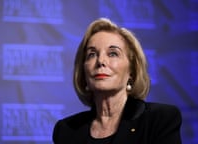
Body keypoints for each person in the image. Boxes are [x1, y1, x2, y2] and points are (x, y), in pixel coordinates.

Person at [52, 17, 182, 144]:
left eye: (113, 53)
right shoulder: (66, 130)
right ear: (83, 71)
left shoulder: (159, 120)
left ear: (131, 71)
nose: (101, 61)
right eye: (92, 54)